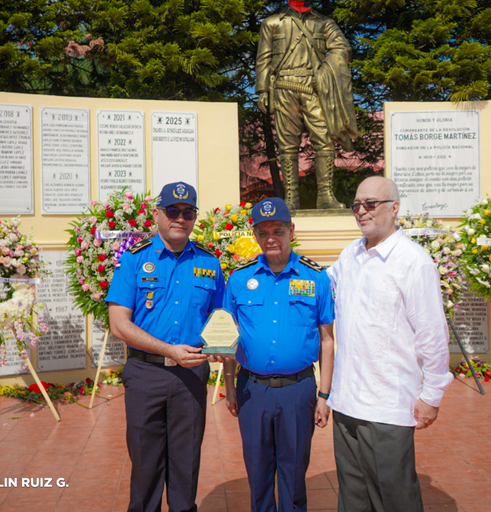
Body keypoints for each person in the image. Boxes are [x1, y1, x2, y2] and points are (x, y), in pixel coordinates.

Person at [326, 176, 453, 512]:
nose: (361, 212)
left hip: (387, 406)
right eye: (356, 205)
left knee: (394, 499)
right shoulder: (350, 254)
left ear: (394, 208)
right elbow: (319, 289)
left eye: (371, 204)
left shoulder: (414, 262)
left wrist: (431, 395)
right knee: (353, 498)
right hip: (347, 400)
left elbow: (432, 335)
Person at [106, 181, 225, 512]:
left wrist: (219, 348)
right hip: (146, 374)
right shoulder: (133, 260)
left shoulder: (209, 263)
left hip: (190, 376)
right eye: (172, 211)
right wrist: (168, 350)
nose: (180, 218)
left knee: (186, 464)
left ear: (195, 217)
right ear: (157, 214)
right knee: (146, 465)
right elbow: (119, 324)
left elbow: (221, 321)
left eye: (188, 212)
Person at [219, 197, 335, 512]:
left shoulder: (315, 277)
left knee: (294, 472)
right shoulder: (239, 279)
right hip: (251, 390)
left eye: (278, 230)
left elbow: (327, 339)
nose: (271, 238)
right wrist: (229, 387)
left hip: (298, 391)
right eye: (263, 231)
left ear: (291, 231)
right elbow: (228, 338)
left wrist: (324, 395)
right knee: (257, 473)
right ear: (255, 234)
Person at [257, 0, 358, 210]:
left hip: (314, 89)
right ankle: (291, 199)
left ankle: (325, 196)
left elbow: (342, 48)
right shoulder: (272, 23)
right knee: (287, 145)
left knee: (324, 140)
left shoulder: (323, 22)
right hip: (283, 89)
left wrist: (327, 69)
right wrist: (262, 90)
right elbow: (264, 60)